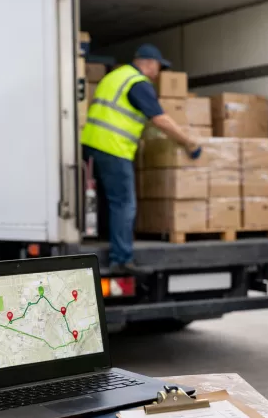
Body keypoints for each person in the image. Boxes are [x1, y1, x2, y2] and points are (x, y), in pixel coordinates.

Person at [81, 44, 201, 275]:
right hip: (113, 148)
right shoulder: (137, 83)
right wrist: (188, 142)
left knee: (108, 201)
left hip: (92, 145)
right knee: (124, 203)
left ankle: (107, 240)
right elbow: (161, 120)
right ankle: (121, 259)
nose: (158, 74)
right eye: (158, 67)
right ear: (147, 63)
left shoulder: (114, 77)